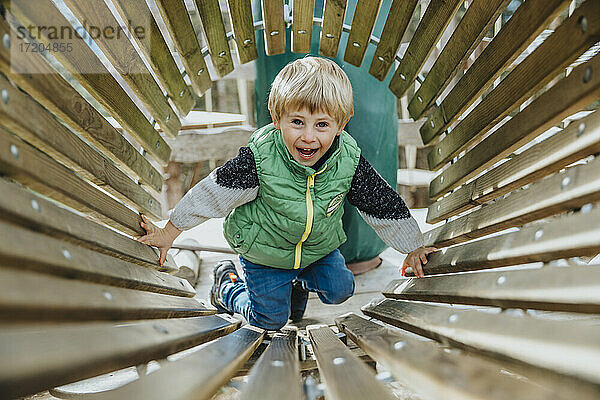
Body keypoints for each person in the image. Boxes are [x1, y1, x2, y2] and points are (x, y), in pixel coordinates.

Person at [137, 56, 436, 330]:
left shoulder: (348, 161)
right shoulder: (260, 159)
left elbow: (381, 203)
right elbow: (212, 192)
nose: (308, 136)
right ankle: (227, 287)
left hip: (314, 250)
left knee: (341, 288)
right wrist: (170, 231)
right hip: (264, 251)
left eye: (322, 124)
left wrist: (412, 245)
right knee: (270, 320)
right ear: (276, 117)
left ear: (341, 126)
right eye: (297, 122)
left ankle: (295, 284)